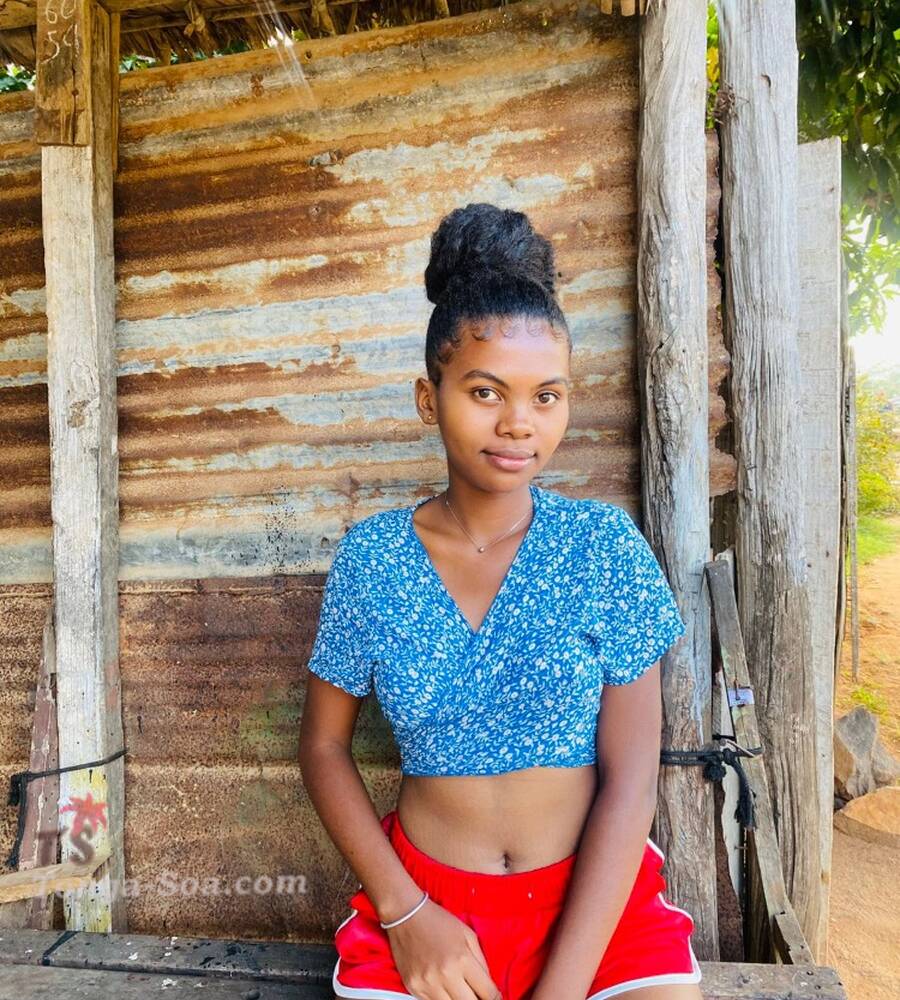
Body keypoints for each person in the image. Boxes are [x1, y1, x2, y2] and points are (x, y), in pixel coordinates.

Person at [297, 203, 703, 1000]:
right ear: (429, 397)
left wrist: (562, 988)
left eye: (546, 396)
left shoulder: (603, 547)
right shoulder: (373, 560)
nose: (519, 424)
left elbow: (632, 782)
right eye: (486, 392)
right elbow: (322, 748)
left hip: (594, 911)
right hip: (428, 912)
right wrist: (407, 913)